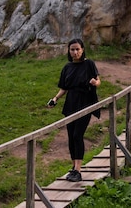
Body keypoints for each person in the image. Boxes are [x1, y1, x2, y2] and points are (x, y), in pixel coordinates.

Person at [48, 38, 101, 182]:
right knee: (71, 136)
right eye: (72, 49)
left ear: (82, 49)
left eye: (77, 49)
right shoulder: (67, 67)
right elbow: (64, 88)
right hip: (71, 103)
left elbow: (98, 80)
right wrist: (55, 99)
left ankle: (78, 170)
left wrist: (94, 83)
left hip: (85, 103)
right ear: (69, 51)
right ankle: (73, 167)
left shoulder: (89, 64)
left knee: (78, 135)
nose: (75, 52)